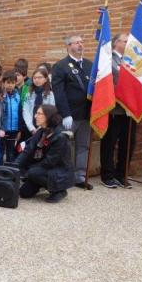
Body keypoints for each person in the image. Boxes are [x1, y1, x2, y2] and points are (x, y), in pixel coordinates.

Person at [51, 35, 93, 189]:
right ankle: (62, 174)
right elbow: (59, 92)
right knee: (63, 145)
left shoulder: (89, 65)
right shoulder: (60, 66)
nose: (81, 45)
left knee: (84, 146)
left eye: (82, 42)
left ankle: (80, 176)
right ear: (68, 46)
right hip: (70, 115)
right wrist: (65, 113)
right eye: (77, 43)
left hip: (87, 114)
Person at [15, 104, 75, 202]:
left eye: (39, 114)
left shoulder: (60, 136)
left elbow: (50, 161)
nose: (35, 116)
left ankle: (59, 190)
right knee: (23, 193)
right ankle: (39, 182)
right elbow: (27, 151)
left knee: (32, 172)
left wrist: (29, 171)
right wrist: (13, 166)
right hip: (43, 168)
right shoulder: (41, 131)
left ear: (48, 116)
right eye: (36, 113)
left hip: (59, 172)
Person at [100, 33, 136, 189]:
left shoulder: (132, 61)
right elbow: (108, 83)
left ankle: (122, 174)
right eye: (124, 41)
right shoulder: (109, 60)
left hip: (130, 111)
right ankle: (107, 174)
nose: (127, 43)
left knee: (128, 144)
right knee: (110, 143)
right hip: (114, 109)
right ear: (115, 43)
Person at [22, 66, 55, 136]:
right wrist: (31, 127)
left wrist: (42, 127)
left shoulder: (50, 94)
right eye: (34, 78)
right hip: (30, 128)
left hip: (44, 128)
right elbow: (26, 111)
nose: (37, 80)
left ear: (46, 79)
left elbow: (51, 112)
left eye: (40, 77)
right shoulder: (29, 94)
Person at [1, 70, 21, 163]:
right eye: (8, 83)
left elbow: (20, 112)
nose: (10, 85)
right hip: (3, 129)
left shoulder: (18, 96)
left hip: (14, 129)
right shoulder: (1, 95)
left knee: (11, 152)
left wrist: (19, 129)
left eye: (12, 83)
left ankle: (9, 172)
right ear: (3, 83)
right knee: (0, 152)